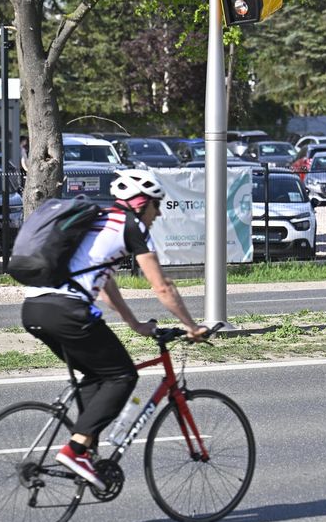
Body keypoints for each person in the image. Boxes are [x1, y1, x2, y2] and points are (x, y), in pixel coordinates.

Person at [21, 168, 208, 490]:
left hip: (35, 309)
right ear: (141, 204)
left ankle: (84, 449)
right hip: (67, 312)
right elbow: (162, 288)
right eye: (156, 205)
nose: (159, 213)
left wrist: (134, 323)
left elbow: (104, 281)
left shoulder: (99, 221)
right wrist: (192, 327)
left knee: (98, 375)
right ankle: (76, 450)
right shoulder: (130, 226)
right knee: (123, 375)